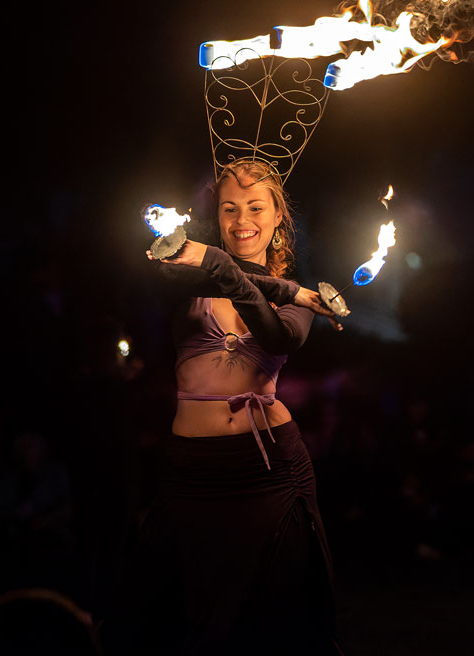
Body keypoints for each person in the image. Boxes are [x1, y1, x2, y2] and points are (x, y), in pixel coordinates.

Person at [107, 159, 344, 656]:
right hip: (194, 470)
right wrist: (217, 266)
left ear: (279, 215)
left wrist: (242, 273)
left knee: (274, 623)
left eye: (256, 207)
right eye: (229, 208)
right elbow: (218, 277)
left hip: (271, 470)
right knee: (175, 618)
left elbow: (277, 332)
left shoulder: (301, 301)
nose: (242, 219)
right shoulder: (183, 276)